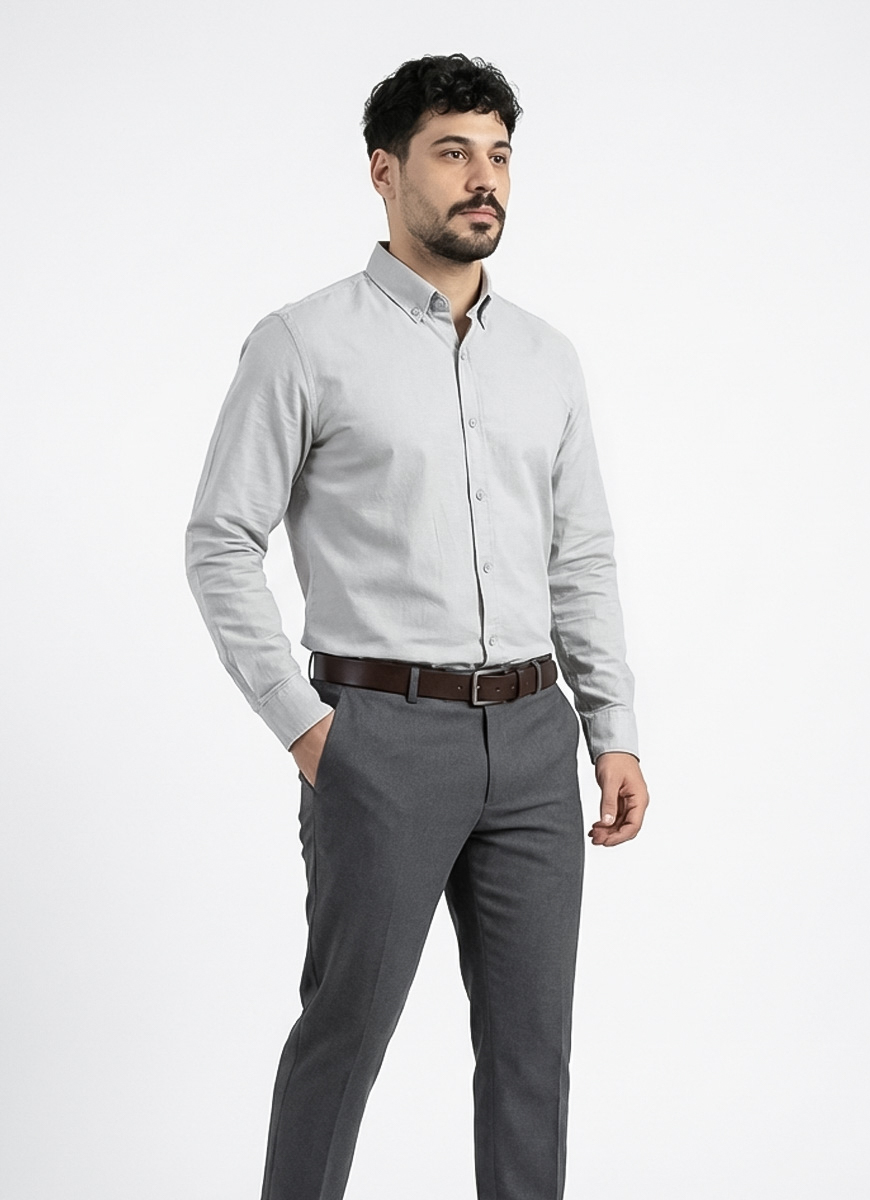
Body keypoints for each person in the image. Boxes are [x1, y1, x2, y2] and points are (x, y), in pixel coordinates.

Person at [185, 51, 649, 1200]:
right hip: (378, 738)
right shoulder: (302, 344)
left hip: (534, 743)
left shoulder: (547, 358)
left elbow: (581, 556)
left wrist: (612, 729)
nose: (483, 180)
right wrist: (307, 729)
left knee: (534, 1060)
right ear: (384, 171)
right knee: (343, 1042)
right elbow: (219, 541)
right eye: (453, 153)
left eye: (499, 156)